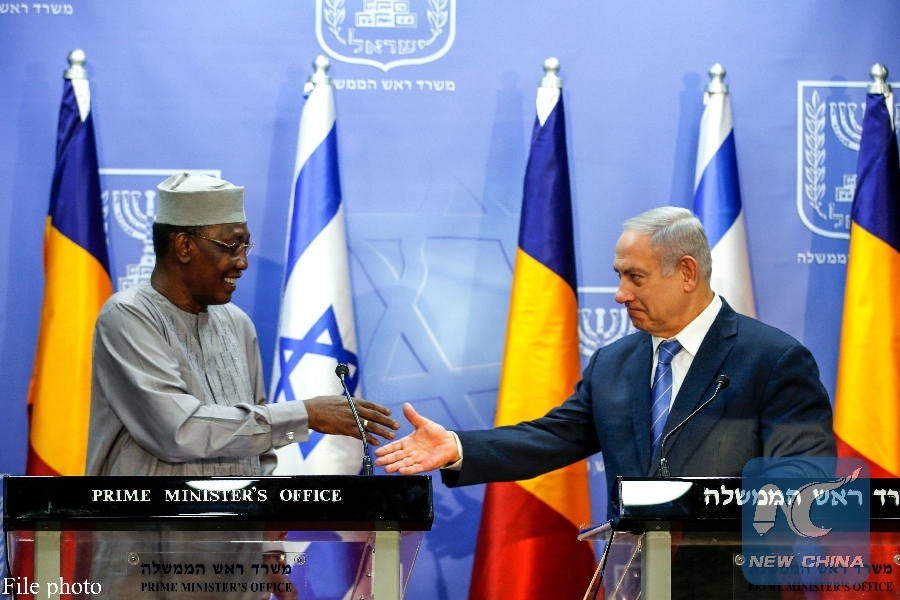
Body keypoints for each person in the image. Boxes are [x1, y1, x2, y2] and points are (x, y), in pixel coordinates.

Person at [374, 207, 836, 499]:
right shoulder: (614, 364)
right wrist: (457, 447)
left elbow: (804, 481)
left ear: (687, 273)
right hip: (634, 578)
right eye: (619, 276)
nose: (620, 294)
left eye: (635, 278)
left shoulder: (772, 360)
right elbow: (552, 438)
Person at [87, 172, 398, 477]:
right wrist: (305, 415)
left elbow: (260, 444)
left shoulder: (237, 323)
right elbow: (178, 433)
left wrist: (267, 502)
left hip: (241, 513)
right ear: (184, 246)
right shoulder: (128, 316)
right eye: (231, 245)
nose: (243, 262)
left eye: (245, 246)